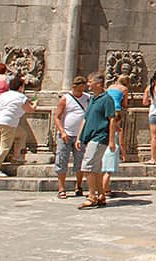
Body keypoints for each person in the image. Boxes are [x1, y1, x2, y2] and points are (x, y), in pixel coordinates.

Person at [76, 71, 117, 209]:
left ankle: (91, 196)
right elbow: (86, 119)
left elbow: (112, 119)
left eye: (90, 81)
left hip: (100, 137)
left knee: (87, 166)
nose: (87, 84)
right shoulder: (93, 99)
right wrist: (79, 137)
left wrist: (111, 140)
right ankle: (101, 195)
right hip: (90, 137)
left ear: (98, 84)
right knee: (96, 169)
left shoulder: (107, 99)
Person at [0, 76, 35, 177]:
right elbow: (30, 110)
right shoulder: (21, 97)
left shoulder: (3, 95)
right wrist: (35, 105)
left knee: (22, 134)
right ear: (20, 87)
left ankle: (16, 157)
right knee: (5, 147)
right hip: (8, 122)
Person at [53, 76, 89, 198]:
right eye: (82, 85)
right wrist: (62, 132)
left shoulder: (88, 98)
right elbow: (57, 116)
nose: (84, 87)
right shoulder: (65, 99)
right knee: (62, 160)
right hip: (66, 135)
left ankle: (78, 186)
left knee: (80, 162)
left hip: (81, 135)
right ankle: (61, 188)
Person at [101, 74, 130, 197]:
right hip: (116, 109)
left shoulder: (110, 86)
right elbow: (125, 103)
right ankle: (104, 190)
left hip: (106, 109)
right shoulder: (124, 89)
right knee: (117, 130)